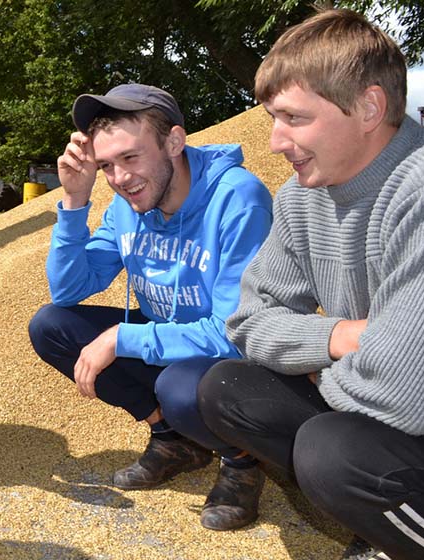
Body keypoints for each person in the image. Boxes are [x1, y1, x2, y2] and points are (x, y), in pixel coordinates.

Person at [197, 9, 424, 560]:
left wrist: (313, 361)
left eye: (293, 119)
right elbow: (248, 322)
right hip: (394, 410)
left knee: (332, 453)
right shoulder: (301, 199)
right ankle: (389, 537)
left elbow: (402, 395)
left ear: (369, 108)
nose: (275, 142)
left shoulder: (421, 190)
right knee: (228, 387)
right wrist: (341, 337)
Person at [28, 84, 272, 531]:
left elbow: (236, 332)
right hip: (170, 336)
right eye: (106, 166)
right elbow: (67, 290)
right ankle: (173, 439)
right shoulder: (126, 207)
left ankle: (242, 462)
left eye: (131, 157)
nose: (120, 179)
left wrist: (123, 337)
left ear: (174, 142)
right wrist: (75, 202)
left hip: (231, 356)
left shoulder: (238, 198)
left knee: (178, 387)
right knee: (50, 326)